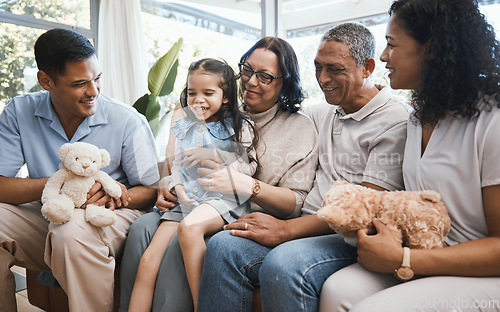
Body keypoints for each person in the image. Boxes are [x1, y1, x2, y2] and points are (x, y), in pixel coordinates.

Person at [198, 22, 411, 312]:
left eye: (334, 69)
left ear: (367, 67)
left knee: (284, 263)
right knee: (223, 246)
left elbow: (364, 211)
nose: (323, 79)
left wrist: (286, 230)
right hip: (305, 226)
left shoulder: (394, 121)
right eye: (318, 67)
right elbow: (270, 114)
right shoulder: (323, 111)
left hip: (347, 236)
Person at [319, 1, 500, 311]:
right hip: (429, 253)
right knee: (337, 290)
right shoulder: (418, 119)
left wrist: (406, 259)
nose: (385, 56)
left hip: (484, 275)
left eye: (391, 44)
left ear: (431, 49)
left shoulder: (492, 120)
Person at [119, 37, 319, 312]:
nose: (250, 81)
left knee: (183, 238)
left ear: (284, 81)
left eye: (264, 76)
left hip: (239, 211)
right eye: (247, 70)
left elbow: (295, 202)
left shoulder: (299, 128)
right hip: (194, 199)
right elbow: (178, 160)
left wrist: (247, 184)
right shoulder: (218, 111)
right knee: (142, 228)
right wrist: (168, 184)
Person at [0, 28, 159, 312]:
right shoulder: (19, 112)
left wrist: (114, 196)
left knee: (70, 232)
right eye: (80, 83)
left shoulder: (127, 121)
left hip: (111, 216)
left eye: (97, 79)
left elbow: (151, 191)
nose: (93, 92)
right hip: (49, 211)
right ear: (46, 81)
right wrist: (60, 186)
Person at [128, 58, 257, 312]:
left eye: (208, 93)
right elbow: (173, 166)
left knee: (189, 230)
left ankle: (203, 306)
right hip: (185, 201)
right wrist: (174, 184)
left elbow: (248, 166)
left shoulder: (239, 126)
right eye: (191, 93)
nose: (198, 99)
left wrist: (215, 155)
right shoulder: (183, 125)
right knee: (148, 261)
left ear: (227, 96)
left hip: (221, 200)